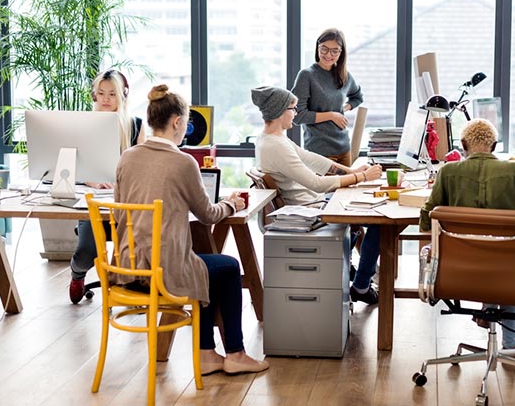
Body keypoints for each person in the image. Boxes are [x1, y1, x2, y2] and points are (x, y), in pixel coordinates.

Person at [113, 84, 268, 375]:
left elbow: (121, 208)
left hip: (128, 268)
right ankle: (235, 353)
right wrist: (231, 204)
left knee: (201, 264)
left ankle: (208, 353)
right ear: (176, 122)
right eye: (186, 123)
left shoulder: (127, 157)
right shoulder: (183, 162)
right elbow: (208, 215)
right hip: (163, 273)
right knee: (227, 266)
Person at [251, 86, 383, 304]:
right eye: (293, 109)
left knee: (363, 210)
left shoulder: (271, 139)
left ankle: (349, 269)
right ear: (281, 111)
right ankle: (361, 285)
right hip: (309, 209)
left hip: (313, 202)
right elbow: (317, 183)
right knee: (379, 222)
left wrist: (351, 171)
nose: (295, 113)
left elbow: (311, 159)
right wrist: (362, 178)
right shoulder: (276, 146)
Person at [419, 119, 515, 351]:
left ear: (463, 145)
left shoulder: (448, 172)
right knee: (510, 260)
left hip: (459, 271)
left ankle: (487, 310)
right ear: (493, 145)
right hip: (509, 271)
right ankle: (510, 343)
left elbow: (425, 220)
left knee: (487, 256)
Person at [69, 69, 146, 303]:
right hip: (93, 200)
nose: (105, 99)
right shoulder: (84, 124)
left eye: (112, 94)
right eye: (101, 93)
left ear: (122, 96)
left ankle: (134, 289)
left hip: (125, 203)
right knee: (86, 252)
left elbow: (143, 166)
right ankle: (77, 274)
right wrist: (88, 179)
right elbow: (70, 165)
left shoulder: (135, 125)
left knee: (139, 246)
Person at [291, 28, 364, 166]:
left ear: (341, 52)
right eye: (324, 49)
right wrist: (331, 115)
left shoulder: (344, 76)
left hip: (344, 149)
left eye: (334, 51)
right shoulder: (307, 76)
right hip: (319, 152)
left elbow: (358, 97)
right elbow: (298, 115)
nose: (328, 54)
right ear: (318, 47)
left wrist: (343, 109)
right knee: (326, 188)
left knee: (350, 188)